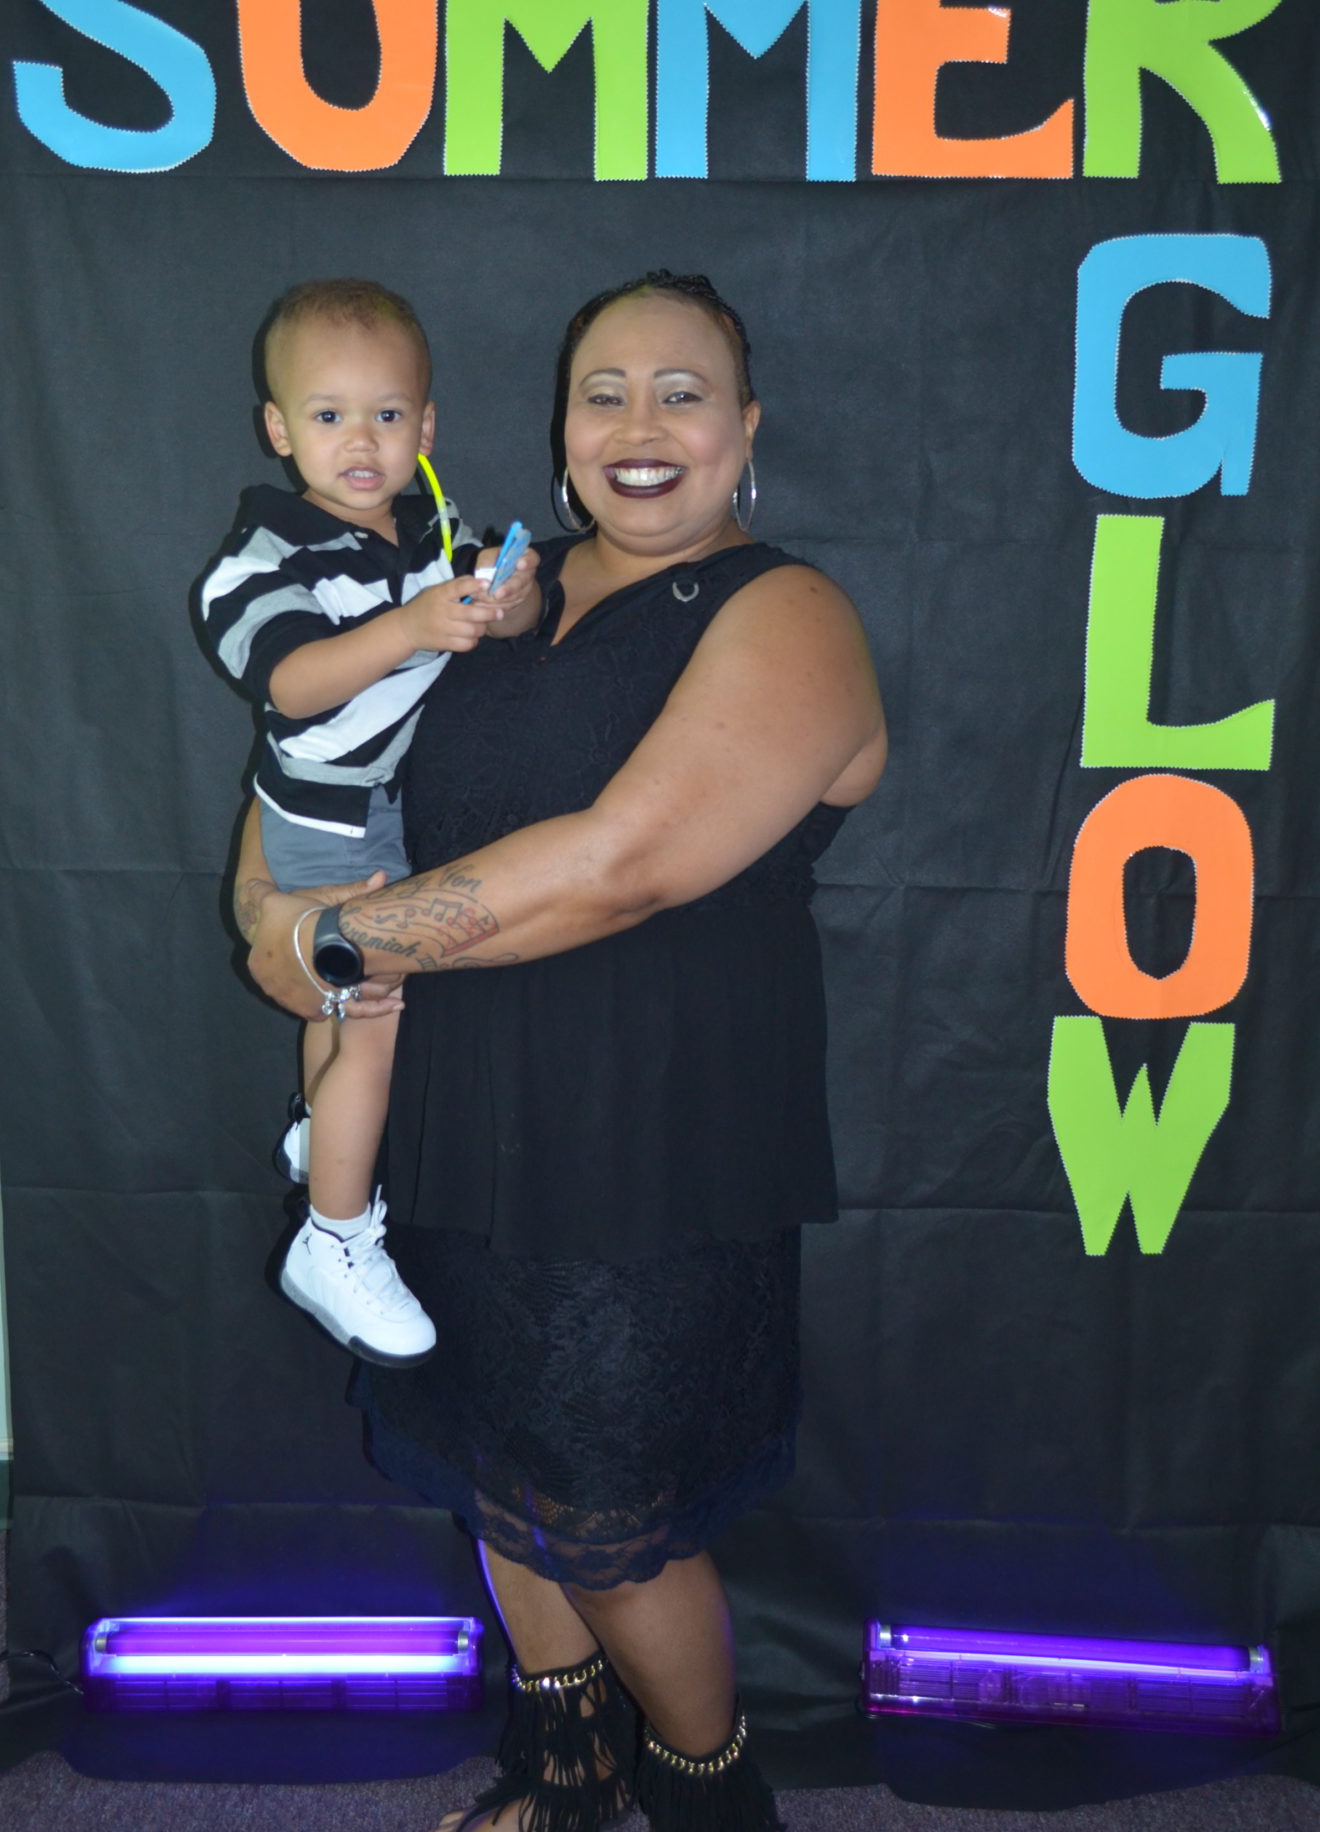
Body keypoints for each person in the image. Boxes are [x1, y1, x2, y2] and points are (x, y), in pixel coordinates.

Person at [236, 269, 887, 1831]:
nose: (640, 425)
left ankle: (711, 1797)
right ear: (558, 424)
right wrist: (268, 903)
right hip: (450, 1117)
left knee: (611, 1515)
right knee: (491, 1470)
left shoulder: (785, 610)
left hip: (646, 1147)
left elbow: (622, 864)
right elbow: (320, 773)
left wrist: (326, 946)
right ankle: (565, 1773)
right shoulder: (487, 589)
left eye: (682, 392)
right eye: (605, 391)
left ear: (747, 431)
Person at [199, 278, 538, 1367]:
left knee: (346, 1025)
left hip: (383, 810)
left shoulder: (426, 530)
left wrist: (507, 592)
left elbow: (493, 605)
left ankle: (321, 1122)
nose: (362, 440)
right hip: (323, 824)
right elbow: (293, 683)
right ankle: (335, 1240)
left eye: (388, 415)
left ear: (427, 428)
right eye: (330, 414)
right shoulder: (263, 557)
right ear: (279, 428)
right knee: (376, 1018)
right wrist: (411, 624)